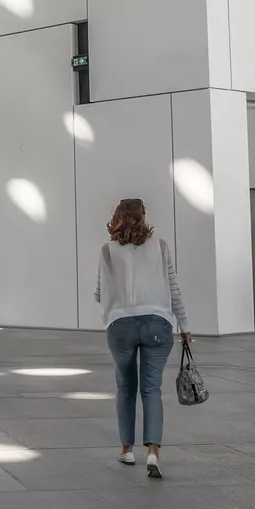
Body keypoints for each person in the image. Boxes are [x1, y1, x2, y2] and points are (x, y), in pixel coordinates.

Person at [94, 198, 190, 479]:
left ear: (117, 218)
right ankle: (153, 453)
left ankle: (127, 449)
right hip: (158, 323)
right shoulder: (160, 246)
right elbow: (173, 287)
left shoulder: (107, 250)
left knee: (125, 388)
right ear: (144, 217)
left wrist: (115, 299)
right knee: (152, 389)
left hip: (120, 325)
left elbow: (98, 293)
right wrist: (184, 325)